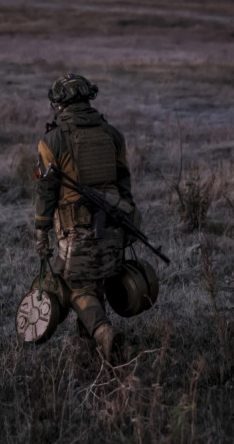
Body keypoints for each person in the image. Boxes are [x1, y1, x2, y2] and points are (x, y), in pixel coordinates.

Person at [34, 73, 135, 362]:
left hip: (75, 228)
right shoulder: (112, 134)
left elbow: (45, 188)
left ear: (59, 103)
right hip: (114, 224)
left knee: (76, 286)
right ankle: (87, 353)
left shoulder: (52, 139)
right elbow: (124, 183)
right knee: (97, 283)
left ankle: (104, 333)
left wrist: (41, 230)